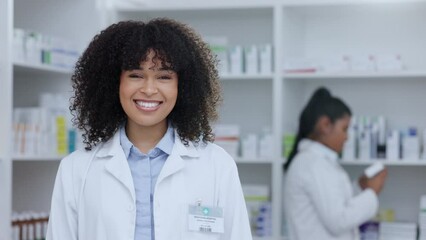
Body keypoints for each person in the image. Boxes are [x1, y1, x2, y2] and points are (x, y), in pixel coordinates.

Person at [46, 18, 252, 240]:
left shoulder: (217, 166)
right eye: (136, 75)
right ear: (114, 83)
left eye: (164, 77)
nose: (149, 89)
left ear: (182, 87)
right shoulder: (76, 169)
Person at [283, 87, 387, 240]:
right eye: (344, 129)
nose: (347, 137)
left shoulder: (319, 162)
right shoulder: (312, 164)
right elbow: (338, 221)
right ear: (325, 125)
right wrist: (372, 193)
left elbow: (333, 203)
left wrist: (359, 187)